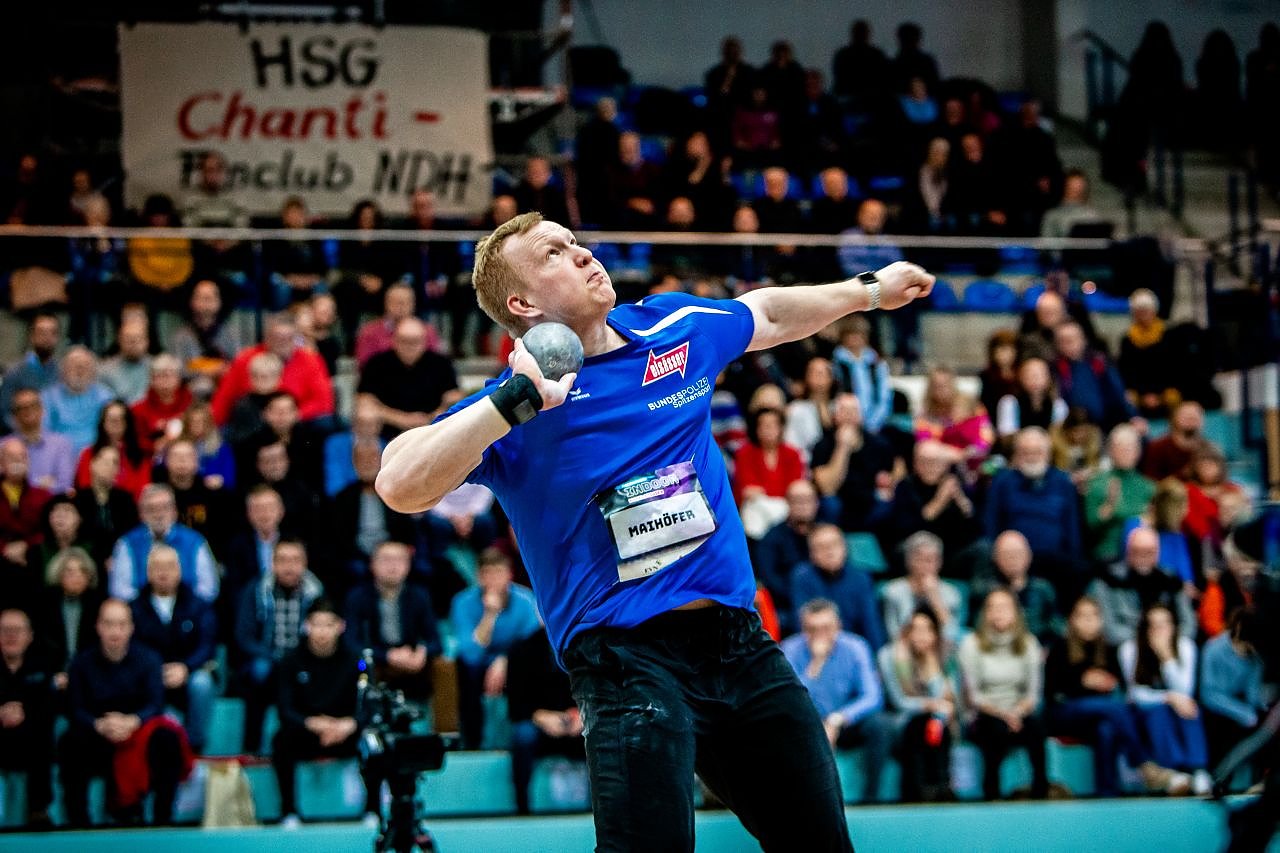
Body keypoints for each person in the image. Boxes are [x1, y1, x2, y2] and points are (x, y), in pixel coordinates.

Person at [374, 210, 932, 850]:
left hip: (737, 645)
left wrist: (868, 291)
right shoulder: (516, 405)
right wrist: (513, 401)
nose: (582, 254)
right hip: (625, 661)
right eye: (553, 253)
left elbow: (768, 314)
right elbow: (398, 482)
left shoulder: (670, 328)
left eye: (575, 242)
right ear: (522, 304)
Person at [60, 598, 191, 827]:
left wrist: (132, 721)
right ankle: (78, 823)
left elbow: (156, 704)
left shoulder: (149, 659)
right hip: (98, 734)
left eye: (121, 625)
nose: (115, 632)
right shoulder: (81, 663)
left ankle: (163, 819)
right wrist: (99, 725)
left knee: (167, 740)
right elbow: (75, 708)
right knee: (70, 742)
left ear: (131, 627)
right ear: (98, 626)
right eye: (109, 624)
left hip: (137, 732)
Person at [1045, 596, 1188, 796]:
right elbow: (1052, 692)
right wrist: (1081, 681)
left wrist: (1109, 684)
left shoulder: (1109, 650)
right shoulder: (1060, 648)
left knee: (1107, 729)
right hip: (1065, 713)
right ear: (1072, 620)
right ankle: (1144, 764)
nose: (1088, 621)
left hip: (1099, 718)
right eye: (1082, 616)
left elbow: (1122, 688)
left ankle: (1107, 793)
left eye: (1094, 616)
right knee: (1112, 707)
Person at [273, 597, 377, 828]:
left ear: (340, 626)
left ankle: (373, 809)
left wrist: (350, 724)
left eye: (328, 625)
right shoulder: (290, 661)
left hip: (346, 732)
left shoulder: (357, 661)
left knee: (374, 741)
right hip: (307, 732)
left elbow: (369, 706)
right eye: (316, 624)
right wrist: (312, 723)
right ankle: (289, 811)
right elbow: (285, 709)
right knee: (281, 740)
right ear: (306, 626)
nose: (322, 632)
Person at [781, 598, 892, 803]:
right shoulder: (790, 649)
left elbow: (872, 696)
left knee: (879, 725)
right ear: (803, 629)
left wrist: (839, 718)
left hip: (844, 723)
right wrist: (816, 664)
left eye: (826, 628)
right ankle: (795, 802)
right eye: (812, 629)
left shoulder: (856, 647)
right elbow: (790, 700)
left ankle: (872, 798)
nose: (819, 635)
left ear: (838, 626)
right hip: (806, 723)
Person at [234, 538, 325, 754]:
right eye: (282, 560)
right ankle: (252, 747)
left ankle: (314, 745)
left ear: (304, 563)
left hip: (304, 660)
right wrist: (274, 656)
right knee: (259, 671)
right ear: (273, 563)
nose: (289, 567)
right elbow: (244, 636)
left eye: (295, 560)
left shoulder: (316, 593)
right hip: (268, 659)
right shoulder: (256, 590)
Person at [959, 588, 1050, 801]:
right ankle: (992, 792)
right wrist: (1004, 715)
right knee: (995, 729)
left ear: (1016, 613)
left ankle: (1041, 790)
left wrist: (1016, 712)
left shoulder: (1029, 644)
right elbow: (973, 696)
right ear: (985, 613)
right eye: (993, 607)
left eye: (1004, 607)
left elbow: (1033, 694)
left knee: (1036, 726)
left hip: (1019, 711)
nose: (998, 612)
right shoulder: (970, 644)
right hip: (983, 714)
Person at [129, 543, 217, 753]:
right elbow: (133, 647)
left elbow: (207, 645)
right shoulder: (134, 608)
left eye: (169, 566)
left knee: (202, 683)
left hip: (189, 674)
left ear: (179, 570)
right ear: (148, 572)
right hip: (150, 676)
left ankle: (195, 746)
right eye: (157, 567)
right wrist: (155, 670)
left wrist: (186, 667)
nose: (164, 572)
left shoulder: (198, 605)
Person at [450, 548, 540, 750]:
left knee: (527, 669)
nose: (493, 579)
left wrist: (504, 660)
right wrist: (490, 615)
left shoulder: (526, 600)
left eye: (499, 572)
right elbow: (470, 655)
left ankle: (522, 735)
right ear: (479, 576)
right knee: (466, 669)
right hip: (478, 668)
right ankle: (472, 743)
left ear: (509, 574)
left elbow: (532, 646)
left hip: (515, 665)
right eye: (487, 573)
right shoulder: (462, 602)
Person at [1119, 603, 1212, 794]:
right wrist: (1168, 697)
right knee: (1159, 713)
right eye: (1154, 625)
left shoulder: (1185, 646)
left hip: (1179, 706)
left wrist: (1166, 657)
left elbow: (1185, 690)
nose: (1159, 630)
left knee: (1190, 707)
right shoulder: (1129, 649)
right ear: (1145, 629)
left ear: (1174, 626)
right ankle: (1173, 772)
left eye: (1165, 624)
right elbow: (1135, 694)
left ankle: (1198, 770)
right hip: (1144, 710)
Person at [984, 427, 1082, 596]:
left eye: (1037, 452)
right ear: (1016, 455)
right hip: (1013, 560)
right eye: (1025, 452)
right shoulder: (1003, 482)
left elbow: (1072, 528)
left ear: (1048, 455)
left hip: (1055, 560)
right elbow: (990, 523)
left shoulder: (1063, 482)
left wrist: (1074, 556)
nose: (1032, 457)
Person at [876, 607, 959, 802]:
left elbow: (947, 700)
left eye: (927, 629)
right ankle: (917, 791)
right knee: (920, 724)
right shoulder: (889, 655)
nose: (921, 635)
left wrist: (931, 665)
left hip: (936, 722)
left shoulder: (944, 654)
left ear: (935, 634)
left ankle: (942, 788)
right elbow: (899, 702)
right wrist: (930, 705)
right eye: (916, 629)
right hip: (901, 720)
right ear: (906, 631)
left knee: (935, 724)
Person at [506, 620, 587, 815]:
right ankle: (522, 807)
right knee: (523, 735)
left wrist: (583, 715)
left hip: (578, 719)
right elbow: (515, 705)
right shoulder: (522, 648)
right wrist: (540, 716)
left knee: (602, 731)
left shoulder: (586, 645)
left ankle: (603, 808)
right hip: (539, 722)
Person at [343, 540, 439, 701]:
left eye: (400, 560)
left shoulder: (420, 596)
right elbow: (350, 642)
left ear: (409, 565)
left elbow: (435, 641)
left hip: (412, 663)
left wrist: (421, 652)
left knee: (438, 667)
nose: (393, 566)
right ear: (372, 564)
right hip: (374, 662)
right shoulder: (357, 597)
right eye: (386, 559)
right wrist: (387, 656)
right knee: (358, 664)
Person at [210, 313, 334, 426]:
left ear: (296, 339)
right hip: (253, 421)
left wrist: (293, 415)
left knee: (325, 423)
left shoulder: (311, 360)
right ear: (267, 337)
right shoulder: (245, 359)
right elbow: (225, 398)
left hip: (298, 422)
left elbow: (324, 401)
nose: (283, 343)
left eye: (288, 338)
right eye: (277, 337)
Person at [109, 484, 219, 604]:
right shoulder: (127, 543)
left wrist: (183, 607)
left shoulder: (195, 541)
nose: (158, 514)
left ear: (174, 511)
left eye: (164, 508)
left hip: (189, 610)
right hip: (140, 612)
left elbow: (208, 588)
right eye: (151, 509)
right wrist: (148, 609)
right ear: (141, 514)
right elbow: (120, 590)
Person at [357, 317, 459, 440]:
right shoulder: (377, 364)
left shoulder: (441, 363)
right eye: (404, 341)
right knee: (365, 414)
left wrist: (433, 417)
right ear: (394, 340)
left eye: (415, 341)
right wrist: (401, 419)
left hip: (432, 426)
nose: (410, 346)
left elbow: (454, 396)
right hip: (387, 427)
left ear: (424, 341)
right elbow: (364, 399)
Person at [0, 607, 55, 826]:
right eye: (5, 630)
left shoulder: (42, 666)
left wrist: (24, 714)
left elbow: (48, 708)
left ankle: (38, 809)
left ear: (30, 636)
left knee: (43, 738)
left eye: (17, 630)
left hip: (29, 734)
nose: (11, 636)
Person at [790, 524, 886, 649]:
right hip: (815, 645)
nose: (830, 552)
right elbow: (802, 623)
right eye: (822, 547)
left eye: (834, 544)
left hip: (853, 646)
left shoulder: (860, 578)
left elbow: (870, 622)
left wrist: (876, 654)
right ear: (812, 554)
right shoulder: (802, 577)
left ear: (845, 548)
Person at [811, 392, 895, 534]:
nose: (849, 415)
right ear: (834, 415)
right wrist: (842, 448)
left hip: (867, 502)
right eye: (844, 410)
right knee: (830, 503)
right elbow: (827, 487)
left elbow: (891, 476)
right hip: (838, 502)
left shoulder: (879, 444)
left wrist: (888, 482)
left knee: (887, 502)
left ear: (861, 416)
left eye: (854, 410)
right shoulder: (822, 445)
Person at [1199, 608, 1267, 770]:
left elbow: (1252, 694)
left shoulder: (1255, 659)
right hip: (1213, 709)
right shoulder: (1213, 649)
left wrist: (1261, 707)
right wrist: (1244, 713)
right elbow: (1207, 694)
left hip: (1238, 706)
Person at [754, 478, 820, 635]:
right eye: (797, 500)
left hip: (823, 598)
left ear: (817, 503)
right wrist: (799, 594)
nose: (803, 505)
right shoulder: (772, 538)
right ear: (787, 503)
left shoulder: (825, 534)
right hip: (785, 604)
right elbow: (769, 578)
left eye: (808, 500)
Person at [972, 530, 1062, 644]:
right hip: (994, 648)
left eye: (1017, 553)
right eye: (1006, 554)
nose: (1012, 558)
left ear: (1029, 555)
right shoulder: (985, 591)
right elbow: (977, 626)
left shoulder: (1043, 589)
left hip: (1037, 647)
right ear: (995, 558)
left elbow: (1056, 624)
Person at [1084, 424, 1157, 563]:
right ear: (1110, 451)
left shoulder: (1148, 487)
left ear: (1138, 452)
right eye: (1121, 448)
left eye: (1130, 448)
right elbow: (1090, 526)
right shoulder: (1097, 483)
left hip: (1142, 555)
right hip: (1108, 555)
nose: (1126, 453)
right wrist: (1108, 508)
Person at [0, 438, 53, 610]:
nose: (18, 461)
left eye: (22, 457)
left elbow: (49, 531)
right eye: (11, 457)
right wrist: (4, 549)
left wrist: (26, 545)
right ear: (1, 462)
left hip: (33, 563)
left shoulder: (43, 496)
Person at [881, 531, 962, 643]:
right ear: (908, 561)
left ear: (940, 563)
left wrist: (935, 600)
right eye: (920, 560)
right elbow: (893, 635)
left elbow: (954, 637)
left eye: (931, 560)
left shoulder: (951, 594)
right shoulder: (893, 592)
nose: (925, 566)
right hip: (904, 648)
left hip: (941, 649)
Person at [72, 445, 139, 569]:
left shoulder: (125, 500)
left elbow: (131, 532)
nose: (110, 467)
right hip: (85, 559)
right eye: (105, 461)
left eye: (115, 463)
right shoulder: (78, 499)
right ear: (92, 464)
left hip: (120, 559)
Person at [40, 346, 114, 456]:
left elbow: (112, 431)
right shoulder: (48, 397)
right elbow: (43, 432)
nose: (79, 371)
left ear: (93, 372)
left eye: (84, 367)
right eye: (74, 366)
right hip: (58, 455)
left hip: (96, 455)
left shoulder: (104, 396)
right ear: (64, 370)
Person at [831, 316, 893, 435]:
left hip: (876, 422)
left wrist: (874, 422)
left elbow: (884, 397)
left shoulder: (877, 363)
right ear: (843, 336)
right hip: (846, 422)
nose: (855, 339)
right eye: (851, 334)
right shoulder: (836, 362)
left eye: (859, 334)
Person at [1, 312, 62, 429]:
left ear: (57, 337)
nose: (47, 338)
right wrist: (26, 432)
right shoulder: (14, 372)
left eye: (52, 333)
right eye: (42, 332)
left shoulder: (62, 372)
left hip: (56, 435)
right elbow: (4, 412)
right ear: (32, 336)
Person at [8, 388, 75, 496]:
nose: (28, 411)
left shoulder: (60, 444)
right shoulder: (4, 446)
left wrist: (22, 483)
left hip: (51, 504)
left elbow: (65, 485)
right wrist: (40, 484)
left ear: (42, 410)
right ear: (14, 416)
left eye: (33, 405)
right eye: (22, 408)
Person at [130, 354, 194, 458]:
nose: (165, 381)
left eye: (169, 375)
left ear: (178, 378)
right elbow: (135, 441)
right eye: (159, 376)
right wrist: (153, 446)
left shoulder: (192, 406)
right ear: (151, 380)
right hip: (151, 459)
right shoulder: (137, 410)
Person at [1142, 401, 1205, 482]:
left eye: (1195, 417)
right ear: (1174, 418)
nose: (1191, 420)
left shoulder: (1207, 448)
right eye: (1186, 416)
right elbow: (1150, 481)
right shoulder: (1158, 447)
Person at [99, 320, 152, 405]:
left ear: (147, 341)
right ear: (119, 340)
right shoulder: (105, 371)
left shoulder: (157, 368)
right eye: (128, 338)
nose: (133, 343)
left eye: (138, 338)